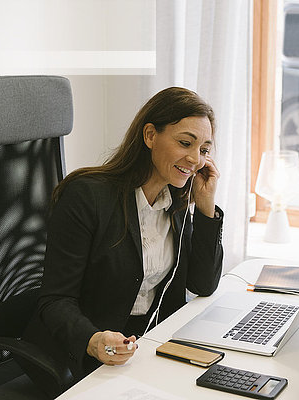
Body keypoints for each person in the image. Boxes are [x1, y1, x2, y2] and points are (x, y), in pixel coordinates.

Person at [24, 87, 224, 385]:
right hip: (86, 355)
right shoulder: (87, 196)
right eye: (185, 143)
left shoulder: (177, 200)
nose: (196, 159)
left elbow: (202, 284)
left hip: (148, 348)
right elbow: (55, 300)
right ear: (150, 136)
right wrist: (93, 340)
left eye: (205, 150)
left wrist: (206, 210)